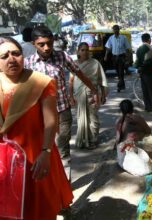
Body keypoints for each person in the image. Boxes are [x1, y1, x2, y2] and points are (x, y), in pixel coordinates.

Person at [0, 37, 73, 219]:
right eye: (4, 56)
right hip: (5, 160)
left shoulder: (41, 82)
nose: (11, 59)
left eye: (16, 54)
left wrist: (46, 152)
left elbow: (51, 120)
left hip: (36, 155)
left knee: (39, 208)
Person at [25, 26, 99, 159]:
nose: (47, 47)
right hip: (39, 112)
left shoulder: (62, 56)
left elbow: (79, 74)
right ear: (33, 44)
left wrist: (94, 91)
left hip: (62, 110)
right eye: (41, 45)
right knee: (45, 149)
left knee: (62, 147)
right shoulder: (27, 63)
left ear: (53, 41)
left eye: (49, 43)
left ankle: (65, 177)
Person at [69, 42, 108, 149]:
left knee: (93, 119)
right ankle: (84, 140)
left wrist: (103, 95)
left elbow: (101, 80)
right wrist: (71, 97)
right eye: (82, 50)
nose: (85, 52)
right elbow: (71, 81)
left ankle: (93, 140)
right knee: (81, 118)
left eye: (87, 50)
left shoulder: (95, 63)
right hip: (79, 95)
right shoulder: (74, 64)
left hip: (93, 94)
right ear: (78, 52)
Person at [134, 33, 152, 113]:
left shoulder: (139, 49)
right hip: (149, 72)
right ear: (149, 39)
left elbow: (136, 62)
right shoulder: (148, 48)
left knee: (145, 90)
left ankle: (148, 107)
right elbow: (148, 61)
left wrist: (140, 68)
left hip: (142, 73)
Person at [104, 25, 131, 92]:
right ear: (113, 30)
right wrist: (106, 55)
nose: (115, 31)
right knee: (118, 72)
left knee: (121, 71)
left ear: (119, 30)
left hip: (122, 57)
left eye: (117, 29)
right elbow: (107, 47)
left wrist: (128, 59)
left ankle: (119, 86)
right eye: (114, 29)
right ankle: (122, 85)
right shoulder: (111, 38)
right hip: (114, 57)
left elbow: (127, 49)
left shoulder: (123, 38)